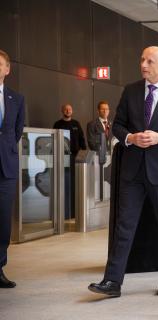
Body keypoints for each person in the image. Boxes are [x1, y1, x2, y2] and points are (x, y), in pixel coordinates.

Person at [88, 46, 158, 297]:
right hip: (132, 172)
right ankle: (112, 282)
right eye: (142, 60)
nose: (143, 65)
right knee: (123, 226)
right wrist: (130, 138)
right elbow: (118, 126)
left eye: (150, 61)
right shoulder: (130, 91)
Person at [0, 49, 25, 289]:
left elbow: (17, 131)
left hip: (5, 168)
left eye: (0, 65)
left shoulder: (16, 99)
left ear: (7, 69)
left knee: (3, 220)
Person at [53, 103, 86, 219]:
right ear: (62, 111)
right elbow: (54, 141)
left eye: (70, 109)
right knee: (64, 184)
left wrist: (84, 153)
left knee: (75, 184)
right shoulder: (57, 124)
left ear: (72, 111)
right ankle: (64, 213)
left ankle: (74, 213)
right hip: (62, 158)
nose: (68, 111)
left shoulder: (76, 124)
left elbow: (82, 139)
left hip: (76, 158)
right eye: (66, 109)